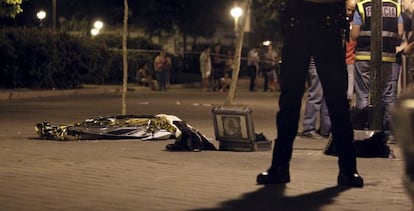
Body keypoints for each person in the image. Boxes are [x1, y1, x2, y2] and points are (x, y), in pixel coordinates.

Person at [257, 0, 364, 188]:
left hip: (327, 25)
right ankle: (280, 166)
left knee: (336, 99)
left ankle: (348, 168)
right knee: (290, 98)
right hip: (299, 23)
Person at [351, 0, 404, 142]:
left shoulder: (362, 6)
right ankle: (388, 133)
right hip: (387, 57)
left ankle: (364, 131)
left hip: (363, 55)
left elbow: (354, 35)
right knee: (388, 96)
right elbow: (399, 33)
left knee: (363, 94)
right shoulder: (396, 7)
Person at [301, 57, 331, 139]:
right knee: (316, 95)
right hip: (318, 59)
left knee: (325, 96)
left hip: (327, 59)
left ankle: (325, 129)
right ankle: (308, 129)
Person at [345, 0, 357, 104]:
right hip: (341, 56)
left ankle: (348, 96)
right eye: (348, 9)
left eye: (352, 10)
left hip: (351, 57)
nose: (350, 13)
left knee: (350, 75)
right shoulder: (342, 22)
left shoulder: (356, 23)